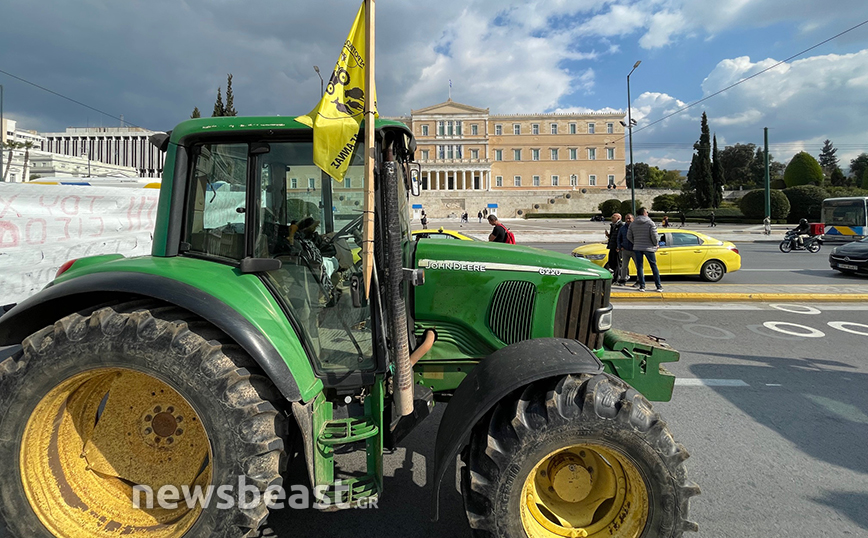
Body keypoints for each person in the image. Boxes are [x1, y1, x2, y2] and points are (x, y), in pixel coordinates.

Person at [627, 208, 663, 292]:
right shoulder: (650, 223)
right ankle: (658, 286)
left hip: (638, 247)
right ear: (644, 213)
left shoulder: (633, 224)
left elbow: (629, 236)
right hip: (649, 248)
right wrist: (655, 244)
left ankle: (642, 286)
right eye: (647, 212)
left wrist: (635, 242)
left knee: (639, 266)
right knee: (653, 266)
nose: (648, 213)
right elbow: (654, 236)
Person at [615, 213, 634, 286]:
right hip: (625, 250)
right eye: (627, 218)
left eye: (629, 218)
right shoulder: (622, 228)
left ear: (633, 219)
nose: (628, 220)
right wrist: (620, 247)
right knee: (623, 266)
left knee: (638, 266)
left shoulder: (636, 228)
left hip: (635, 250)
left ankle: (639, 281)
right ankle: (622, 280)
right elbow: (619, 238)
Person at [604, 213, 622, 278]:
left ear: (618, 218)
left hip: (617, 247)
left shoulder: (621, 225)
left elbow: (620, 237)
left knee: (617, 263)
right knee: (611, 262)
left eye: (613, 217)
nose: (612, 219)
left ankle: (617, 277)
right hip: (612, 246)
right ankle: (614, 276)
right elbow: (613, 236)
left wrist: (618, 246)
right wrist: (608, 235)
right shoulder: (613, 225)